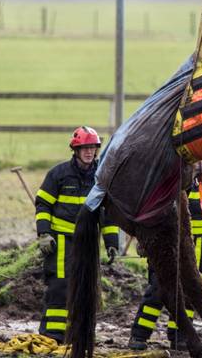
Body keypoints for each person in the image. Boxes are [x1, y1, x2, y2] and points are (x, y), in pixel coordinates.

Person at [34, 126, 119, 343]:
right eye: (85, 148)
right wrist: (44, 233)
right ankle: (52, 335)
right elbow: (43, 204)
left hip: (89, 242)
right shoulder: (58, 174)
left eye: (93, 147)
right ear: (75, 150)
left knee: (86, 288)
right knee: (60, 285)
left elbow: (108, 213)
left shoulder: (103, 177)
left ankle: (80, 334)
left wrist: (111, 242)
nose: (89, 152)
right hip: (61, 240)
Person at [128, 162, 202, 351]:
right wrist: (144, 239)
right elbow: (148, 207)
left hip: (197, 245)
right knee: (158, 290)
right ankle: (139, 335)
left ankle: (179, 337)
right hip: (167, 244)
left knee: (189, 294)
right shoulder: (165, 169)